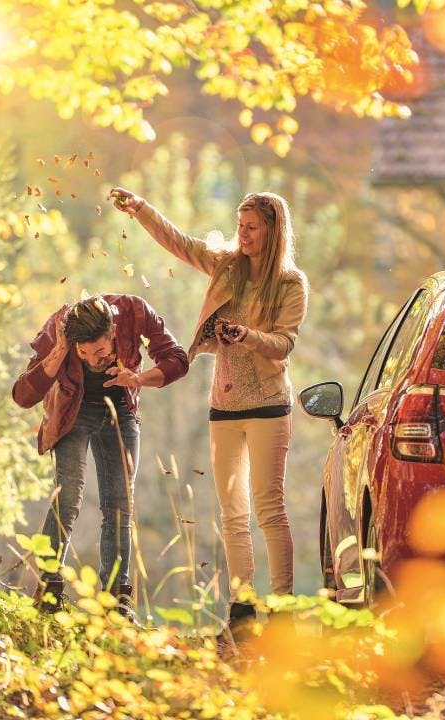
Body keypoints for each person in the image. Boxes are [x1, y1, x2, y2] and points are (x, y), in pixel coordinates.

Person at [108, 186, 309, 637]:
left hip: (269, 407)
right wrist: (142, 208)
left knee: (269, 508)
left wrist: (247, 335)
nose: (243, 235)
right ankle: (241, 612)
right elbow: (179, 242)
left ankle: (282, 611)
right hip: (224, 405)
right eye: (240, 227)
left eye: (252, 228)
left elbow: (284, 344)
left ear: (274, 231)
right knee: (231, 512)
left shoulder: (291, 283)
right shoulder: (225, 265)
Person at [12, 294, 188, 616]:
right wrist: (61, 350)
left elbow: (177, 359)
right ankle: (49, 595)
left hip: (120, 408)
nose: (93, 360)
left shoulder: (134, 312)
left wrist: (138, 379)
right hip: (71, 412)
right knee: (68, 495)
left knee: (119, 505)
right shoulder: (60, 327)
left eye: (101, 351)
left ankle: (116, 603)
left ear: (113, 332)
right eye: (85, 353)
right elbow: (23, 395)